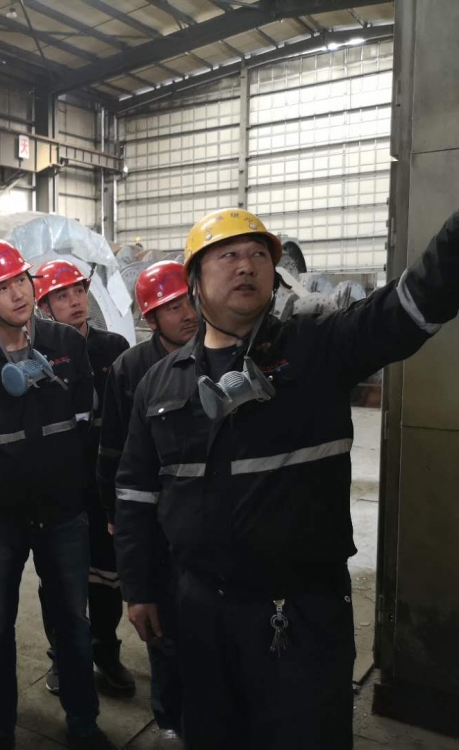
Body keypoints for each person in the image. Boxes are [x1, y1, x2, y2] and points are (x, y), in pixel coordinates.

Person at [114, 207, 459, 749]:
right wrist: (139, 588)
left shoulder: (319, 348)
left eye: (259, 255)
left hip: (301, 614)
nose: (246, 265)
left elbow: (409, 305)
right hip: (200, 611)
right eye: (228, 255)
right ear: (194, 280)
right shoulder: (159, 384)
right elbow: (136, 494)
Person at [0, 240, 116, 750]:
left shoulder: (68, 345)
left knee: (73, 622)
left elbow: (85, 422)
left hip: (62, 513)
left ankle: (83, 722)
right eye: (2, 287)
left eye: (21, 280)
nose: (18, 293)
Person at [97, 261, 197, 742]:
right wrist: (116, 516)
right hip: (154, 518)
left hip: (203, 516)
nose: (188, 314)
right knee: (164, 629)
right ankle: (170, 721)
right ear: (151, 319)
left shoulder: (224, 353)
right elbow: (113, 450)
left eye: (190, 301)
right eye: (172, 307)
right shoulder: (131, 369)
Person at [33, 260, 134, 696]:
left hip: (105, 482)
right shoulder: (36, 354)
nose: (75, 301)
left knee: (108, 577)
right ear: (44, 307)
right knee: (60, 579)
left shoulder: (114, 348)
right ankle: (63, 656)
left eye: (78, 291)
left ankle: (106, 651)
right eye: (62, 295)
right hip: (61, 485)